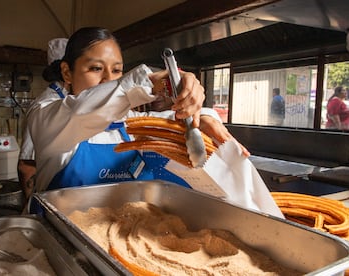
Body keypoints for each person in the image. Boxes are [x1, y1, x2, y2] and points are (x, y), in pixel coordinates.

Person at [26, 27, 248, 193]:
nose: (107, 80)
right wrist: (149, 81)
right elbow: (81, 113)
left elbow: (166, 120)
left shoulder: (131, 123)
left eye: (116, 71)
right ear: (66, 73)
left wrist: (202, 116)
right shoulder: (47, 118)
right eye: (95, 69)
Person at [17, 38, 68, 200]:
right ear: (66, 71)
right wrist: (32, 208)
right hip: (49, 200)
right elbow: (27, 166)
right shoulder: (46, 105)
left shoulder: (69, 101)